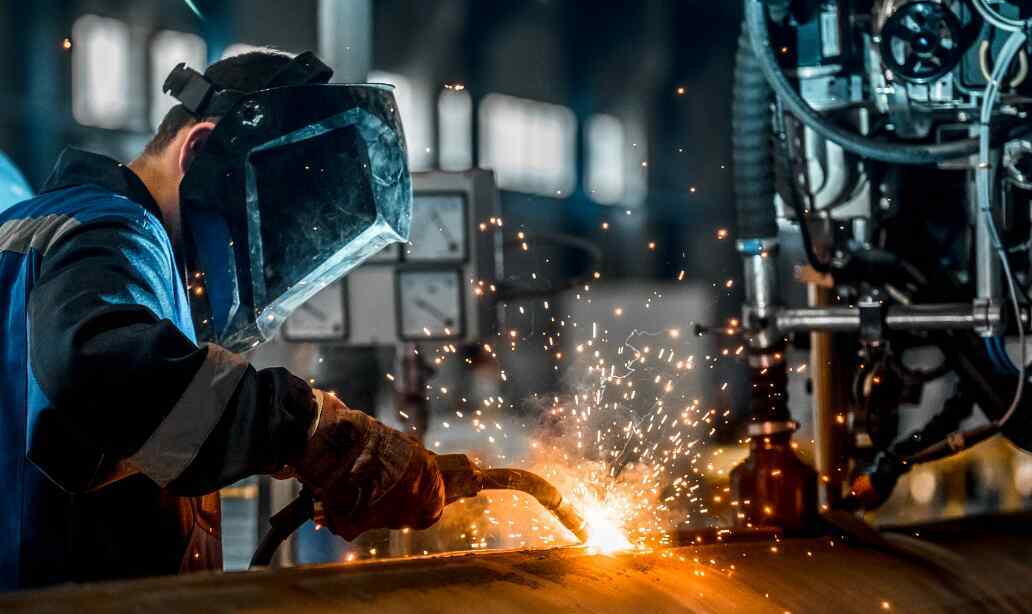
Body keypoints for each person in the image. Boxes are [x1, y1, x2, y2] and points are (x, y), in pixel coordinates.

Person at [0, 49, 445, 591]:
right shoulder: (118, 229)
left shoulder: (57, 229)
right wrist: (305, 428)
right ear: (200, 148)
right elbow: (95, 372)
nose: (262, 266)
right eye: (267, 238)